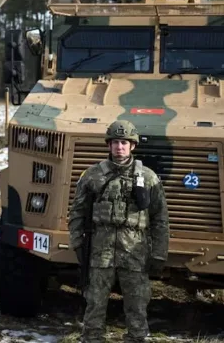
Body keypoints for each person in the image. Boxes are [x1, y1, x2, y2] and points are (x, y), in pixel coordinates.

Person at [68, 120, 169, 343]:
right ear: (109, 145)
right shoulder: (93, 176)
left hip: (135, 252)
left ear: (132, 146)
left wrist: (159, 253)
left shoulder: (149, 178)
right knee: (95, 303)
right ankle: (92, 338)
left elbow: (160, 218)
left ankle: (136, 338)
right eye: (115, 142)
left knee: (137, 304)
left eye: (124, 142)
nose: (119, 147)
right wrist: (77, 243)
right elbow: (77, 212)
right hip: (100, 251)